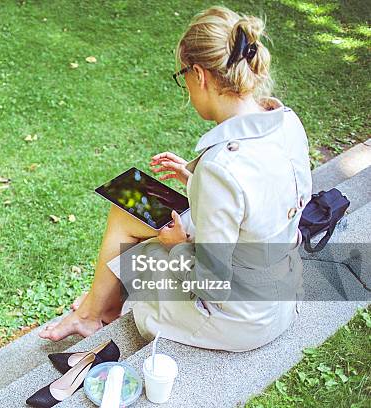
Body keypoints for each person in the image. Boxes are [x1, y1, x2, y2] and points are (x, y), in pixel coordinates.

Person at [39, 6, 312, 352]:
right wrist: (195, 181)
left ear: (199, 74)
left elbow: (212, 284)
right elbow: (263, 197)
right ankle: (95, 310)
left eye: (182, 75)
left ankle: (97, 309)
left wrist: (178, 245)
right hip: (279, 285)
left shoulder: (220, 168)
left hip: (238, 317)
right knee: (129, 202)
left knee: (145, 253)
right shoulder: (286, 121)